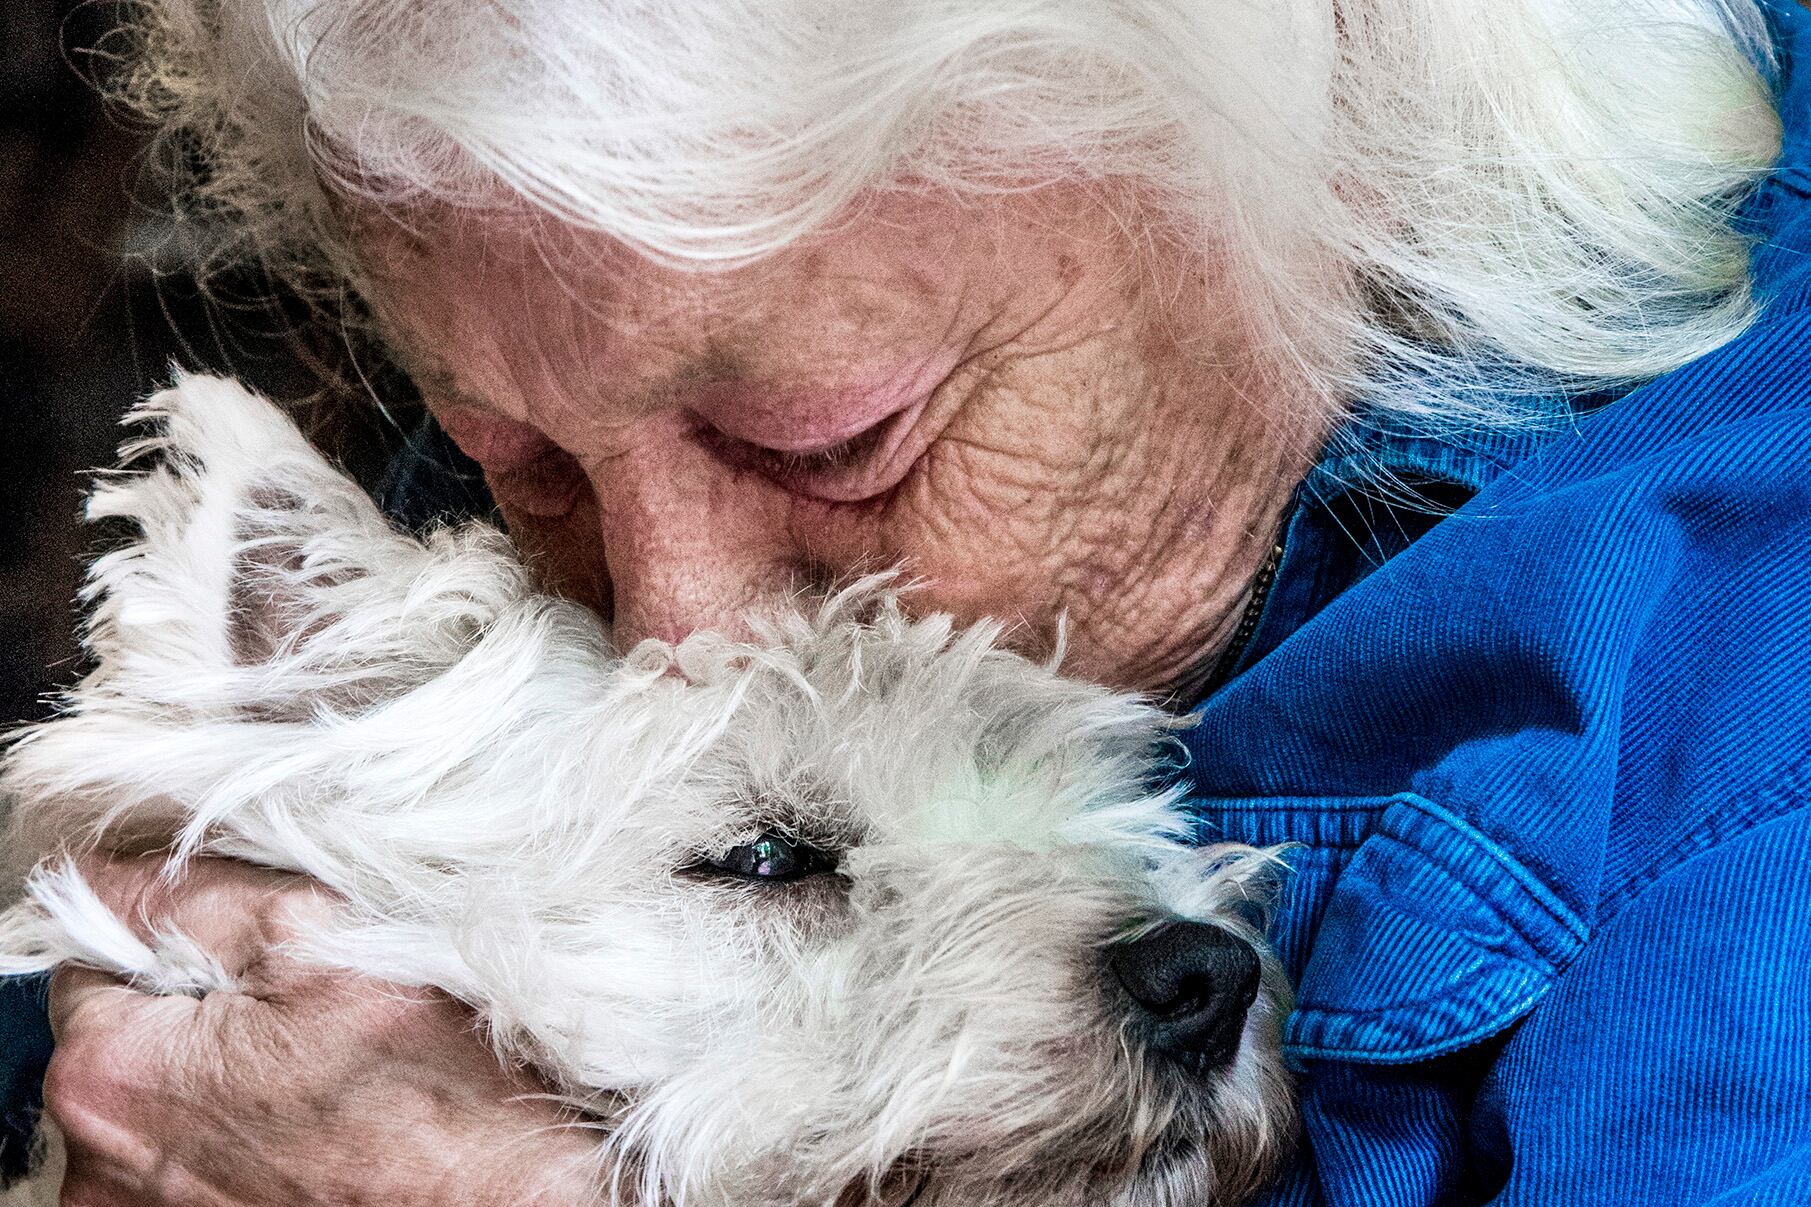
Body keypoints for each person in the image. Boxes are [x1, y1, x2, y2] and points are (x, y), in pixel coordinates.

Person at [4, 0, 1809, 1202]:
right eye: (519, 464)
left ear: (1300, 180)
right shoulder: (622, 362)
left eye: (831, 437)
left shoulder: (1745, 762)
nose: (674, 616)